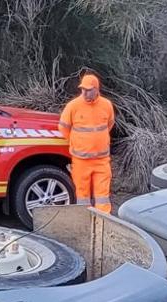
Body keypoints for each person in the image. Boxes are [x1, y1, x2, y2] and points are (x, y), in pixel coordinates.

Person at [58, 73, 115, 214]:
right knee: (82, 196)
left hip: (101, 160)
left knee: (103, 197)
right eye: (83, 89)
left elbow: (109, 124)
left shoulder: (106, 105)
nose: (85, 92)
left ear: (96, 89)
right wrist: (77, 143)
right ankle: (84, 222)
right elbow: (63, 127)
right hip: (81, 160)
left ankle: (103, 222)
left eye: (88, 89)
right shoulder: (73, 106)